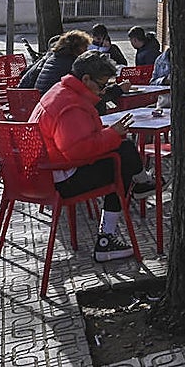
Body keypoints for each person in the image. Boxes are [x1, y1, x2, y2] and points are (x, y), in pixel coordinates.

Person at [29, 50, 155, 263]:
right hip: (60, 178)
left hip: (47, 171)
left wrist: (109, 136)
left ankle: (143, 183)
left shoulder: (60, 91)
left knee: (120, 150)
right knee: (121, 160)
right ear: (85, 79)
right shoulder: (71, 106)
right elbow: (78, 150)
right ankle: (107, 238)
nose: (103, 90)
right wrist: (112, 134)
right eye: (101, 85)